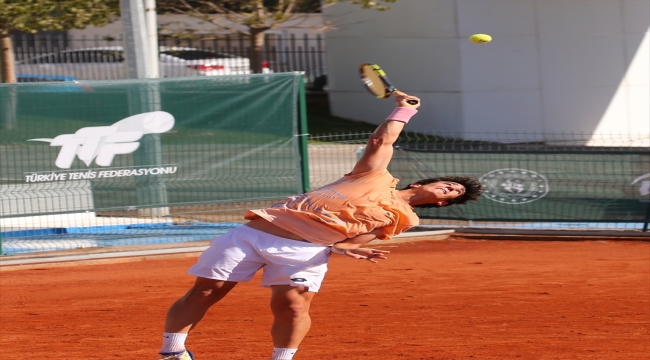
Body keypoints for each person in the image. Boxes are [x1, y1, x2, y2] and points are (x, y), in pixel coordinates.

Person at [158, 91, 483, 360]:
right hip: (254, 233)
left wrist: (347, 249)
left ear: (442, 204)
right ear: (431, 181)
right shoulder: (376, 175)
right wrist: (402, 110)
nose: (451, 189)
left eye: (455, 194)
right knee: (204, 292)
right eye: (450, 184)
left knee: (292, 306)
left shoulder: (406, 217)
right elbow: (381, 142)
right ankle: (173, 352)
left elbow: (360, 237)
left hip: (305, 251)